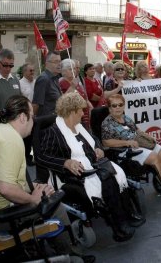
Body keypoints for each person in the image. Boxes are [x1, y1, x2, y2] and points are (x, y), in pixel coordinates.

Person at [0, 95, 95, 263]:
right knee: (55, 206)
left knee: (46, 196)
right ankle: (72, 255)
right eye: (33, 116)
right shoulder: (12, 139)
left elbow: (5, 178)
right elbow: (5, 188)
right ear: (23, 117)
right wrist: (32, 198)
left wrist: (34, 188)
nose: (35, 121)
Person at [36, 92, 136, 242]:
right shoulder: (53, 131)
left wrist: (98, 148)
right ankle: (119, 226)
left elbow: (94, 139)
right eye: (81, 110)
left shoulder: (80, 126)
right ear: (72, 111)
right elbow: (42, 156)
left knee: (115, 173)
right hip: (71, 174)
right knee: (108, 179)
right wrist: (65, 162)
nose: (83, 113)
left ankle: (127, 215)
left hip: (93, 164)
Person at [101, 94, 161, 199]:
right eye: (114, 105)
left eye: (120, 104)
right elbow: (106, 142)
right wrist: (126, 143)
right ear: (109, 108)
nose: (118, 107)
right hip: (126, 151)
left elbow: (137, 130)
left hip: (139, 144)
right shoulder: (107, 124)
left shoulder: (126, 117)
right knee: (154, 156)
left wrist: (147, 136)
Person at [0, 48, 21, 123]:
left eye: (11, 65)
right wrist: (0, 118)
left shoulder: (15, 79)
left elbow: (19, 101)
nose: (8, 69)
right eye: (5, 65)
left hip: (14, 124)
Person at [59, 59, 92, 129]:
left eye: (74, 68)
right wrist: (72, 87)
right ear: (63, 71)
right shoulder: (62, 83)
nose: (73, 71)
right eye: (70, 69)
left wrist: (88, 104)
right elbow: (63, 100)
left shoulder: (75, 81)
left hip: (84, 115)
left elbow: (84, 95)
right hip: (74, 117)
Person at [32, 51, 62, 116]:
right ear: (47, 64)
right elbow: (36, 104)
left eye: (60, 61)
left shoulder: (56, 78)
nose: (59, 64)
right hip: (45, 122)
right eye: (56, 62)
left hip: (54, 119)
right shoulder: (43, 79)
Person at [19, 63, 36, 165]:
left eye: (33, 70)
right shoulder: (20, 83)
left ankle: (33, 156)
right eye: (30, 71)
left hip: (36, 114)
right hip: (25, 114)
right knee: (26, 138)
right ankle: (26, 158)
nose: (32, 73)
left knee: (34, 137)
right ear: (24, 72)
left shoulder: (36, 82)